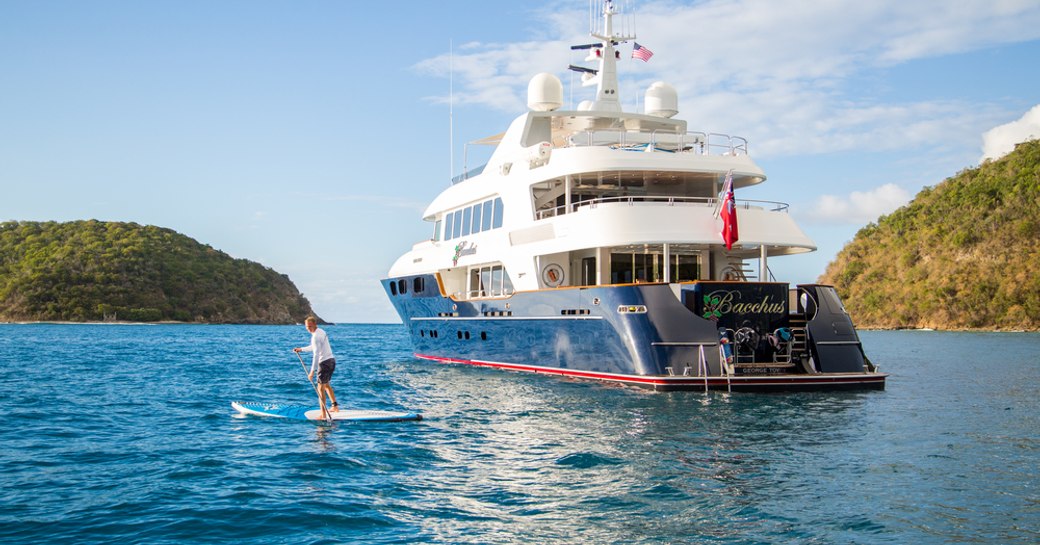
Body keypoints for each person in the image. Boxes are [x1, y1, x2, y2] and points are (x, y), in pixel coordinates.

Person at [293, 316, 338, 418]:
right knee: (326, 385)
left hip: (324, 363)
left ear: (314, 325)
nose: (307, 328)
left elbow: (316, 354)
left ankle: (323, 415)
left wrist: (312, 372)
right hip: (331, 361)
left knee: (320, 389)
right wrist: (301, 349)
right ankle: (335, 406)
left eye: (309, 326)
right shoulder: (320, 331)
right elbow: (315, 347)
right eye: (306, 326)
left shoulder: (315, 337)